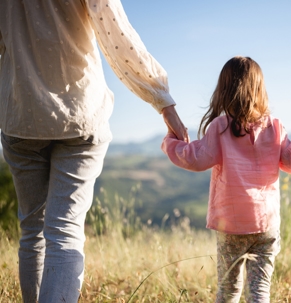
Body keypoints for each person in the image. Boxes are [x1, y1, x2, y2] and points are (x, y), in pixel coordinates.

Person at [0, 0, 188, 302]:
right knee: (64, 232)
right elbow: (117, 34)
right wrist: (162, 100)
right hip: (79, 114)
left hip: (21, 114)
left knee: (32, 231)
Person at [161, 56, 291, 302]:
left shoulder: (220, 128)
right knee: (259, 291)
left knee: (229, 290)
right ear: (259, 90)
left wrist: (171, 142)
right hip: (266, 225)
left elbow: (194, 159)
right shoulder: (275, 128)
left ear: (224, 91)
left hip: (230, 225)